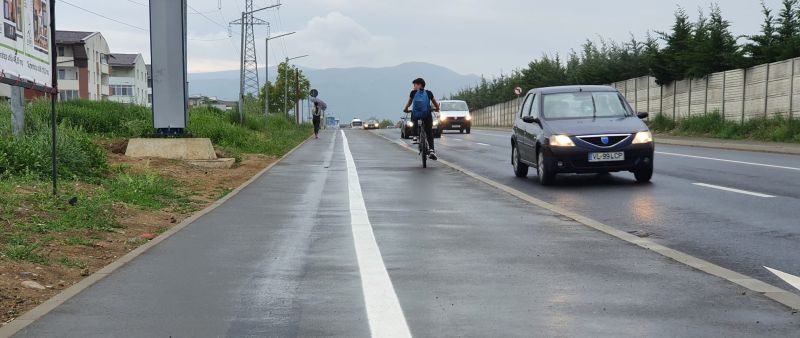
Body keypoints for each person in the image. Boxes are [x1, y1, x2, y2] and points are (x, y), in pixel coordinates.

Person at [403, 78, 440, 160]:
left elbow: (409, 102)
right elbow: (434, 102)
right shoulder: (429, 93)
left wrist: (405, 109)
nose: (413, 87)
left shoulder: (413, 93)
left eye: (415, 84)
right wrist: (437, 108)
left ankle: (415, 136)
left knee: (414, 116)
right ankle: (431, 150)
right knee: (429, 132)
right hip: (427, 115)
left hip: (416, 115)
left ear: (420, 85)